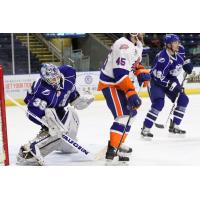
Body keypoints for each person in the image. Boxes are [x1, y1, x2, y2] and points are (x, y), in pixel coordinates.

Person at [17, 63, 94, 165]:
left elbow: (70, 94)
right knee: (57, 130)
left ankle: (65, 146)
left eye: (56, 77)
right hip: (45, 111)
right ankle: (28, 152)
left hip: (60, 109)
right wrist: (47, 122)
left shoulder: (68, 74)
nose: (56, 80)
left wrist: (79, 100)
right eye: (52, 79)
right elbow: (31, 111)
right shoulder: (41, 90)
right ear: (45, 79)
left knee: (72, 115)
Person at [97, 33, 150, 161]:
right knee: (123, 115)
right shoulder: (123, 45)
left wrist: (140, 71)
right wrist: (131, 92)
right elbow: (119, 73)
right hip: (111, 84)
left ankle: (118, 143)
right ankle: (112, 148)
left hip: (121, 84)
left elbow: (133, 63)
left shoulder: (136, 44)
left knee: (132, 114)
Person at [141, 34, 193, 138]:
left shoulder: (180, 49)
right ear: (168, 45)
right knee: (159, 103)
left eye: (178, 42)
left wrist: (187, 64)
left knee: (183, 99)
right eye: (175, 43)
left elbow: (183, 58)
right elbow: (158, 77)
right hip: (155, 82)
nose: (178, 44)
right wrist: (171, 85)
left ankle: (174, 125)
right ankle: (146, 128)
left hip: (171, 79)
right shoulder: (162, 58)